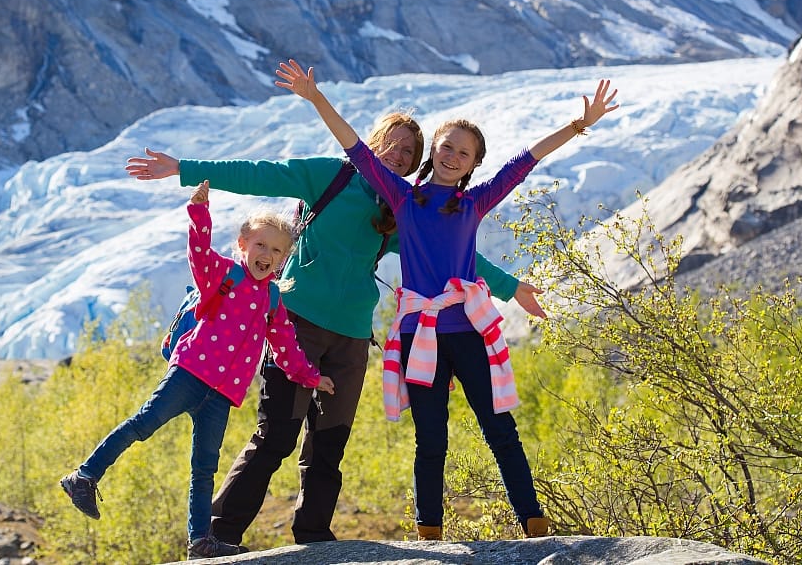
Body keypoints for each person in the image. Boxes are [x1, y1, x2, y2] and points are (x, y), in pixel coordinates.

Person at [125, 114, 548, 545]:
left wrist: (511, 287)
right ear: (374, 140)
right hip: (297, 327)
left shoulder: (397, 208)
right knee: (275, 438)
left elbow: (453, 256)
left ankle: (313, 538)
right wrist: (184, 170)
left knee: (329, 446)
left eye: (408, 153)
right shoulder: (331, 176)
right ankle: (219, 535)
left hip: (350, 338)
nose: (399, 156)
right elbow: (260, 173)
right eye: (393, 144)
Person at [275, 58, 619, 540]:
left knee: (500, 430)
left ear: (474, 163)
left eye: (464, 152)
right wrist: (316, 99)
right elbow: (353, 144)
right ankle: (430, 530)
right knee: (430, 438)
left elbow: (527, 159)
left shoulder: (475, 202)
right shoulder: (400, 198)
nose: (453, 156)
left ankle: (534, 522)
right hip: (421, 335)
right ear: (432, 152)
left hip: (468, 332)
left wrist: (579, 125)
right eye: (446, 147)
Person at [59, 180, 336, 560]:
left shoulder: (272, 297)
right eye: (260, 245)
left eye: (276, 250)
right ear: (243, 245)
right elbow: (198, 253)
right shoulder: (222, 274)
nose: (266, 254)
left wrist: (310, 376)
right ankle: (84, 477)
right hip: (189, 374)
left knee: (205, 466)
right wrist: (200, 212)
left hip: (221, 395)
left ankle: (199, 541)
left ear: (284, 257)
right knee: (143, 424)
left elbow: (285, 344)